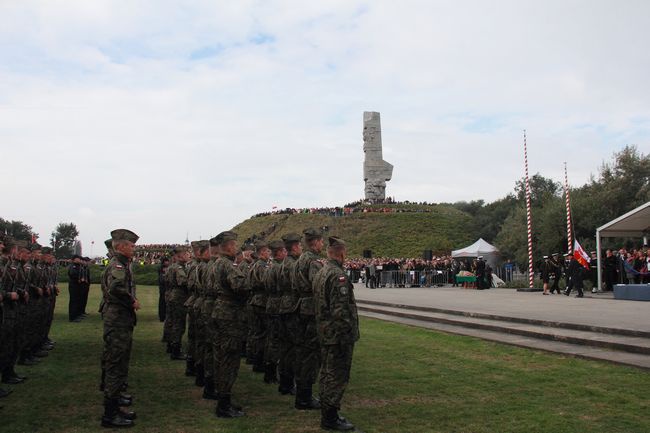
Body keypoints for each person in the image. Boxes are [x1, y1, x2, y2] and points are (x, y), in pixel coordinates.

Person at [313, 236, 359, 431]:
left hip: (324, 331)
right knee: (336, 375)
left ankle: (327, 411)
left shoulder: (322, 272)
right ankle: (330, 417)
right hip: (337, 335)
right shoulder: (338, 275)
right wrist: (346, 335)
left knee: (327, 373)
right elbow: (340, 312)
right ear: (341, 253)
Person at [100, 228, 140, 428]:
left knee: (119, 361)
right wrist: (131, 300)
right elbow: (117, 287)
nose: (134, 249)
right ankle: (110, 414)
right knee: (116, 362)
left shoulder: (121, 263)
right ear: (122, 246)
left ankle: (115, 406)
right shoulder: (118, 265)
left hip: (119, 318)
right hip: (117, 319)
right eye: (131, 246)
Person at [211, 231, 248, 418]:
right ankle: (223, 405)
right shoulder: (227, 264)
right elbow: (239, 286)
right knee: (229, 358)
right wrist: (252, 281)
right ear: (227, 246)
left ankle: (224, 399)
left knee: (222, 356)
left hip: (221, 311)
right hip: (229, 315)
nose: (236, 248)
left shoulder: (218, 263)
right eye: (234, 245)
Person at [292, 228, 324, 410]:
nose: (322, 245)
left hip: (301, 306)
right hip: (311, 309)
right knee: (311, 355)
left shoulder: (300, 260)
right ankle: (304, 398)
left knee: (303, 352)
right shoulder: (312, 261)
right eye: (321, 242)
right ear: (315, 242)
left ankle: (302, 393)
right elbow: (318, 286)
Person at [247, 241, 270, 373]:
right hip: (261, 301)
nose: (269, 254)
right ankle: (259, 362)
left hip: (256, 300)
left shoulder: (255, 264)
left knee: (257, 333)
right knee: (262, 334)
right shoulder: (261, 265)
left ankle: (256, 360)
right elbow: (266, 282)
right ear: (262, 252)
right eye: (267, 251)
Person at [166, 246, 191, 361]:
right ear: (180, 256)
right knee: (179, 324)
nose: (188, 256)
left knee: (172, 322)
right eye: (186, 254)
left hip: (172, 295)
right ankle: (176, 350)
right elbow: (182, 282)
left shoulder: (172, 267)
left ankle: (170, 346)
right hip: (179, 297)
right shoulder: (179, 268)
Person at [67, 255, 83, 322]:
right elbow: (72, 274)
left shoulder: (78, 266)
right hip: (73, 285)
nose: (79, 260)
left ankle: (76, 315)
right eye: (77, 259)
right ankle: (72, 317)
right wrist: (78, 279)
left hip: (78, 285)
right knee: (73, 301)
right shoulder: (72, 266)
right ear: (74, 259)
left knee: (77, 300)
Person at [157, 257, 170, 322]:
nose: (167, 262)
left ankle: (166, 316)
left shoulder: (169, 268)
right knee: (162, 303)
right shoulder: (161, 269)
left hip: (168, 289)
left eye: (167, 261)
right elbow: (162, 279)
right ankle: (162, 317)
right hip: (163, 289)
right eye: (166, 261)